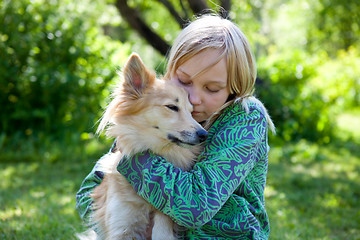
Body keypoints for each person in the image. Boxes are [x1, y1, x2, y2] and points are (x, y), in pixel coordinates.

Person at [76, 14, 275, 239]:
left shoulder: (245, 118)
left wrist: (132, 157)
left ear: (234, 89)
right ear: (171, 71)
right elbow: (86, 195)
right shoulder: (156, 110)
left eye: (211, 89)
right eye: (184, 81)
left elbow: (196, 206)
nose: (193, 98)